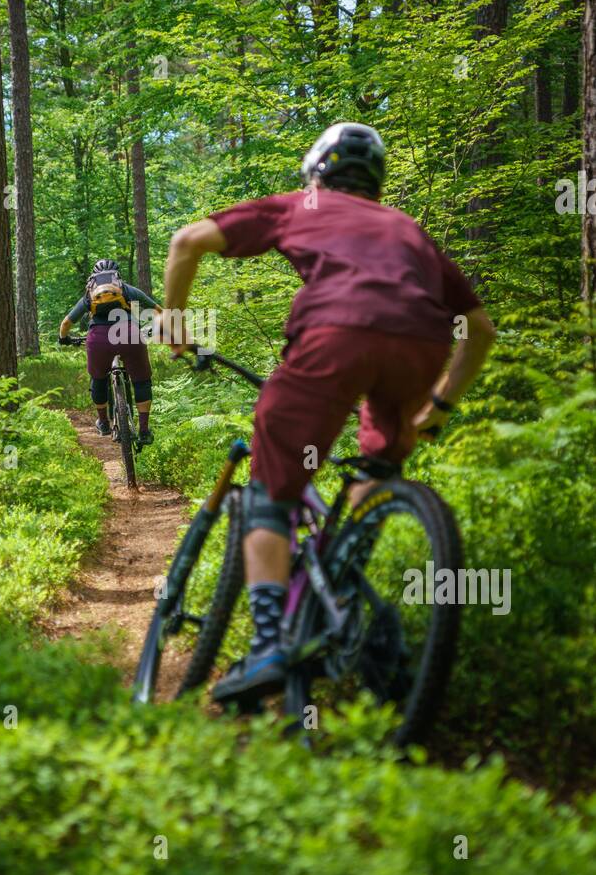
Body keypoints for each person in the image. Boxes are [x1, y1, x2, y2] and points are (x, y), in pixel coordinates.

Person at [157, 121, 496, 705]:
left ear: (317, 170)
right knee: (379, 463)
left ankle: (268, 644)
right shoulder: (408, 230)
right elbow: (481, 330)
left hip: (333, 335)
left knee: (274, 482)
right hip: (421, 346)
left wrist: (175, 320)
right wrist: (439, 404)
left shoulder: (300, 205)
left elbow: (187, 241)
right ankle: (340, 594)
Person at [59, 259, 162, 446]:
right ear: (117, 276)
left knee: (98, 379)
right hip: (130, 335)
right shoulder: (128, 290)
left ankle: (104, 423)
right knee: (141, 381)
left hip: (99, 339)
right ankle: (144, 430)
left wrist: (63, 338)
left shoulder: (89, 295)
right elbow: (159, 312)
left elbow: (66, 323)